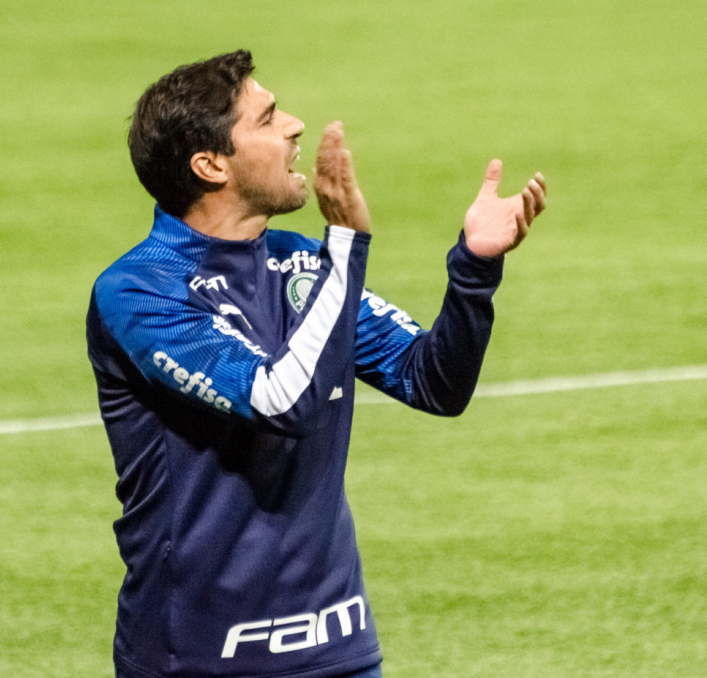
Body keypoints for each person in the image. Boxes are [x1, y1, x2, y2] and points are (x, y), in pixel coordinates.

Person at [86, 49, 546, 678]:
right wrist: (347, 249)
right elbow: (282, 400)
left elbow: (434, 382)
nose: (295, 124)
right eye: (268, 118)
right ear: (210, 163)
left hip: (337, 645)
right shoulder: (141, 292)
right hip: (198, 656)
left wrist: (474, 269)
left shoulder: (300, 265)